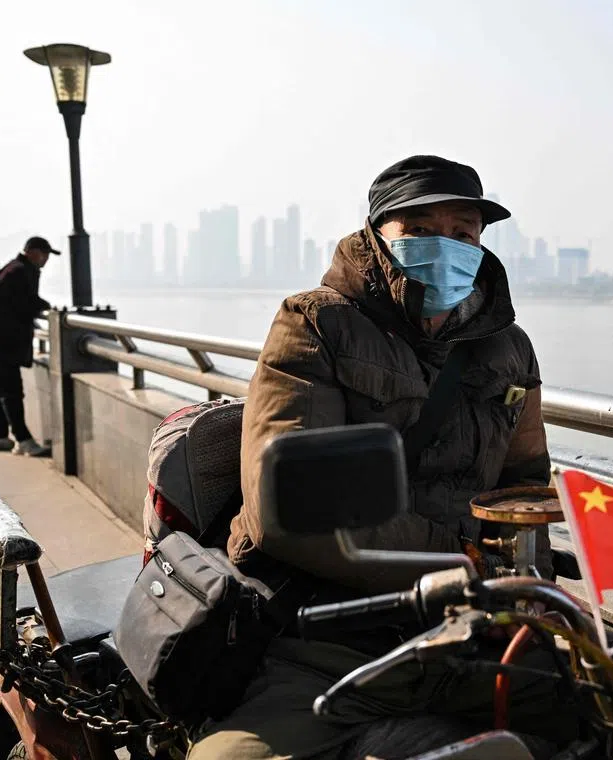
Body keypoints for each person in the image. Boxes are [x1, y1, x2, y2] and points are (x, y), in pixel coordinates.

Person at [188, 156, 573, 759]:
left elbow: (523, 485)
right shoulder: (316, 323)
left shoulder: (508, 348)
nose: (445, 246)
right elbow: (286, 510)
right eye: (419, 231)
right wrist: (460, 561)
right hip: (324, 631)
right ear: (378, 235)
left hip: (469, 630)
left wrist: (527, 587)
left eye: (463, 232)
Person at [0, 236, 56, 457]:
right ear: (32, 252)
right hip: (3, 343)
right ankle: (24, 440)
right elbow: (21, 304)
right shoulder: (19, 272)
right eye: (44, 254)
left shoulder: (13, 269)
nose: (46, 259)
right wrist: (45, 306)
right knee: (11, 392)